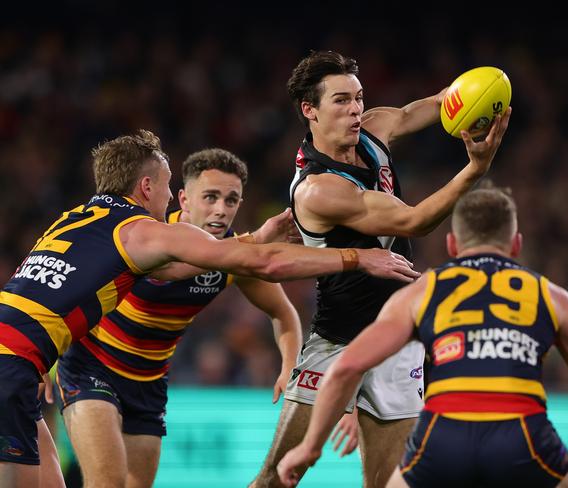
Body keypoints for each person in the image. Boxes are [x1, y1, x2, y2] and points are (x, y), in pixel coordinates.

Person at [0, 130, 418, 488]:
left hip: (51, 365)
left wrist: (38, 364)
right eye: (167, 185)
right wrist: (357, 257)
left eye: (231, 199)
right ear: (149, 188)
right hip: (48, 365)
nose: (168, 195)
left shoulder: (74, 217)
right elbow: (261, 263)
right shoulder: (148, 232)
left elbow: (40, 290)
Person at [252, 50, 511, 488]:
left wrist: (480, 96)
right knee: (278, 479)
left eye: (358, 97)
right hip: (339, 342)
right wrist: (475, 170)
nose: (355, 109)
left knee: (389, 484)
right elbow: (415, 222)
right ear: (309, 110)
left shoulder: (373, 128)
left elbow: (423, 107)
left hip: (398, 340)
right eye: (340, 100)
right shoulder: (319, 190)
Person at [277, 186, 568, 488]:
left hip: (442, 439)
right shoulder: (552, 297)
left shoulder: (423, 292)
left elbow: (347, 368)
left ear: (451, 244)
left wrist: (310, 446)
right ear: (516, 244)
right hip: (523, 436)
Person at [51, 147, 304, 488]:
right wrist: (40, 358)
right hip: (92, 366)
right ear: (183, 199)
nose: (220, 209)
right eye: (210, 197)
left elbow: (283, 313)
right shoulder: (148, 234)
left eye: (231, 200)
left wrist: (291, 365)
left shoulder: (236, 258)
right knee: (106, 482)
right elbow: (70, 288)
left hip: (148, 383)